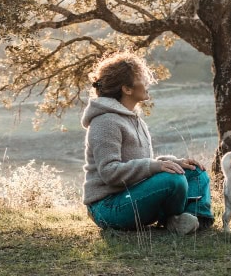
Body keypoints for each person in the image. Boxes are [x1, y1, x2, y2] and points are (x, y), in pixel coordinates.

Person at [81, 51, 214, 234]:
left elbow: (142, 163)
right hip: (108, 207)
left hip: (133, 195)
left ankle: (192, 220)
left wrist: (172, 162)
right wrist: (156, 167)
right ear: (127, 89)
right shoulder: (105, 122)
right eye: (142, 78)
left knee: (195, 172)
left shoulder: (134, 119)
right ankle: (177, 219)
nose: (147, 83)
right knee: (172, 180)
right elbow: (110, 172)